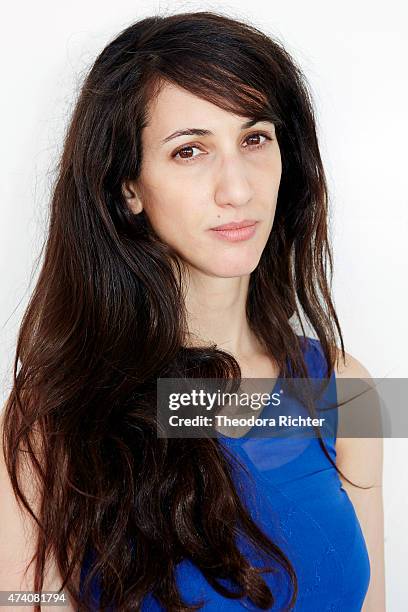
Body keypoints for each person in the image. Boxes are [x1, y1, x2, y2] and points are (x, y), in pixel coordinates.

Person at [0, 10, 385, 611]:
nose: (237, 189)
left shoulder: (346, 391)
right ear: (128, 187)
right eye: (189, 151)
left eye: (255, 139)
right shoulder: (56, 412)